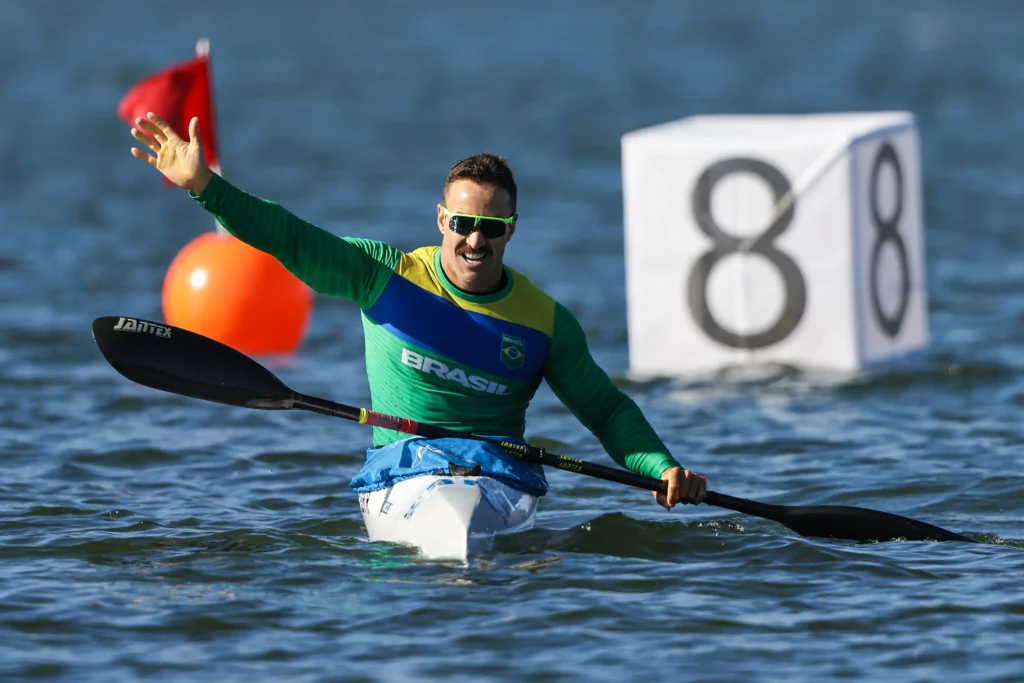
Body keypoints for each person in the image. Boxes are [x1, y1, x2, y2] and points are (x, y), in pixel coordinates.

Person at [128, 112, 707, 510]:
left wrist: (662, 468)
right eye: (464, 223)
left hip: (497, 479)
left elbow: (606, 411)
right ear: (441, 220)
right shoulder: (382, 274)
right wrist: (205, 186)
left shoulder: (547, 323)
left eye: (491, 227)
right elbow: (290, 237)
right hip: (401, 471)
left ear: (511, 230)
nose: (475, 240)